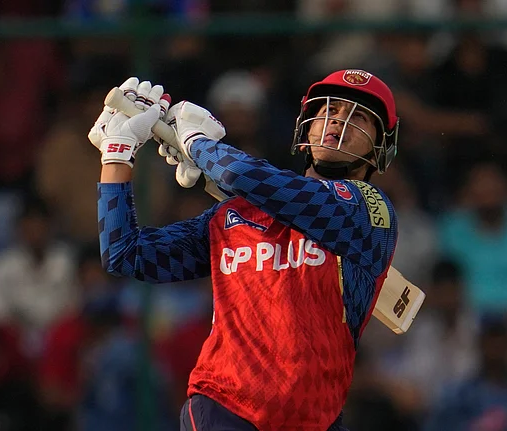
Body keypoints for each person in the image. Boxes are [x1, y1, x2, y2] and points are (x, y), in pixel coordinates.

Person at [91, 70, 400, 431]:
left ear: (381, 146)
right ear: (306, 127)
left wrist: (199, 144)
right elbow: (125, 254)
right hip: (225, 407)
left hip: (317, 419)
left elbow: (244, 176)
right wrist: (117, 156)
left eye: (359, 116)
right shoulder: (233, 214)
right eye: (329, 110)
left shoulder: (368, 211)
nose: (339, 121)